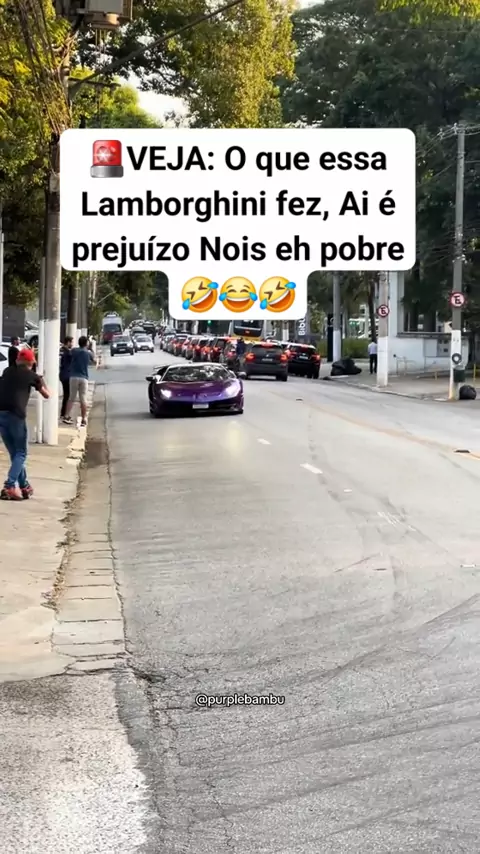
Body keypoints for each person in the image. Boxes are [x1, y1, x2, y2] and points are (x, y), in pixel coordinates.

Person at [0, 348, 50, 500]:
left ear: (17, 360)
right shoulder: (32, 376)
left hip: (1, 415)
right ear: (32, 362)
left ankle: (24, 486)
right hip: (16, 415)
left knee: (15, 454)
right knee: (21, 453)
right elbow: (47, 394)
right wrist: (40, 379)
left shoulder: (7, 371)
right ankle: (9, 486)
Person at [63, 335, 97, 427]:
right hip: (84, 378)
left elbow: (68, 352)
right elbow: (94, 361)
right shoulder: (88, 353)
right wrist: (91, 349)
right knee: (83, 399)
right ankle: (84, 419)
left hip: (73, 377)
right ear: (86, 343)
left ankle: (66, 415)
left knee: (71, 398)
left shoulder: (74, 351)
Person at [59, 336, 73, 420]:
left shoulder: (61, 350)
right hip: (67, 375)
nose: (72, 344)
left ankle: (63, 413)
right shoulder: (68, 352)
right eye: (71, 342)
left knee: (66, 395)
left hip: (62, 374)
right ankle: (64, 414)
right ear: (68, 342)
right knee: (68, 395)